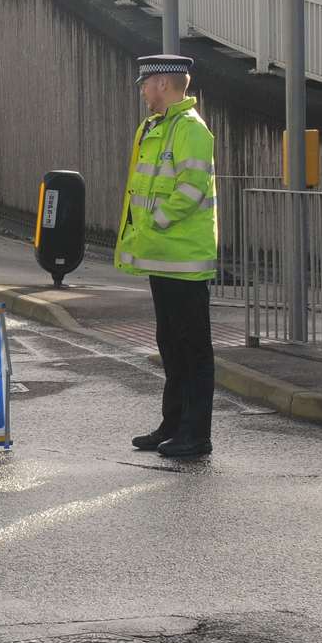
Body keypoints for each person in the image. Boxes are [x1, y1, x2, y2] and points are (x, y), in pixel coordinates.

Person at [116, 55, 219, 458]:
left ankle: (197, 434)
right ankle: (173, 424)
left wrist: (153, 223)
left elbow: (191, 189)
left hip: (183, 258)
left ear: (162, 83)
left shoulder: (191, 129)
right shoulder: (153, 126)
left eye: (146, 84)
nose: (142, 91)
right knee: (171, 345)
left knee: (193, 349)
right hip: (161, 256)